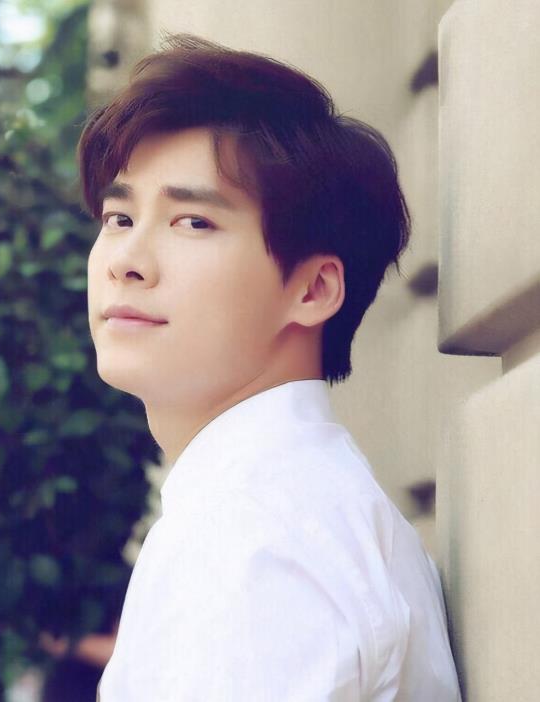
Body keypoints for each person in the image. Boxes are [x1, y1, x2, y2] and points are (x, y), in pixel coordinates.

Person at [78, 32, 462, 701]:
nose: (126, 261)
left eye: (193, 222)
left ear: (312, 290)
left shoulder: (253, 539)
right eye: (118, 217)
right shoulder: (291, 508)